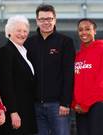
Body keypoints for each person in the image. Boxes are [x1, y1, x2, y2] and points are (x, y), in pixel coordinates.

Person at [25, 4, 75, 135]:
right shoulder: (29, 43)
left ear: (55, 19)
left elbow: (68, 74)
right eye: (42, 19)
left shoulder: (65, 42)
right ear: (36, 20)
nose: (46, 22)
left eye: (49, 19)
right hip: (35, 106)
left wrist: (65, 102)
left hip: (58, 106)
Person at [0, 15, 37, 135]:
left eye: (25, 31)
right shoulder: (6, 51)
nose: (22, 34)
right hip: (16, 113)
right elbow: (5, 84)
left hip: (27, 110)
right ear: (9, 32)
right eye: (18, 30)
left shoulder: (25, 52)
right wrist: (13, 112)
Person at [72, 18, 103, 135]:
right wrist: (75, 104)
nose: (83, 32)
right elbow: (74, 81)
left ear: (94, 31)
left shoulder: (101, 49)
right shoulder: (78, 55)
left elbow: (101, 81)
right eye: (80, 30)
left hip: (97, 105)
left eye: (87, 29)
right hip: (80, 109)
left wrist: (86, 104)